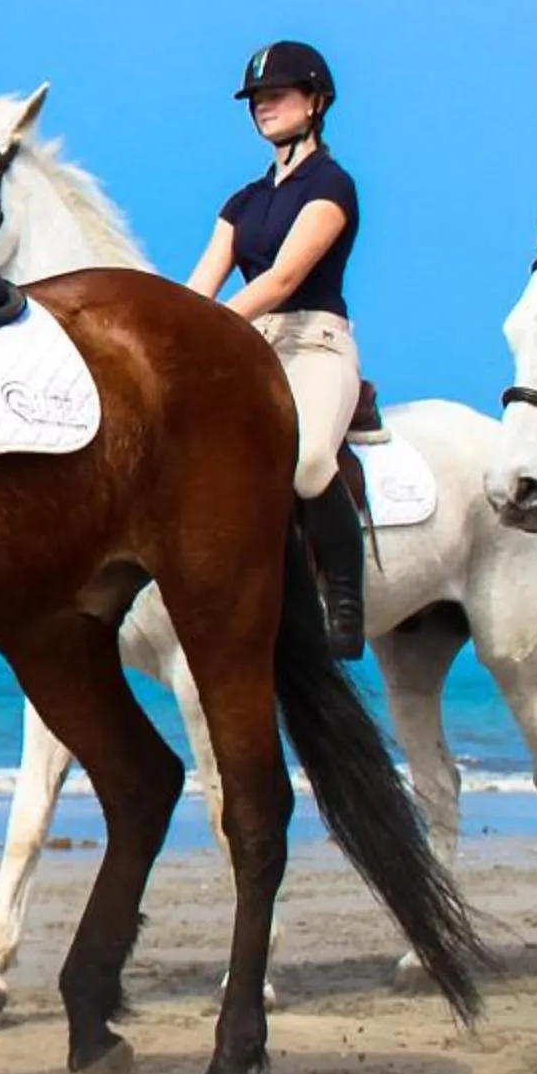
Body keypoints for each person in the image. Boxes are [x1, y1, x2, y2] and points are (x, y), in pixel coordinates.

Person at [186, 40, 367, 658]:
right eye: (257, 99)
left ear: (316, 103)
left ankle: (344, 597)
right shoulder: (242, 202)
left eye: (278, 96)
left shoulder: (332, 186)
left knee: (310, 460)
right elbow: (201, 283)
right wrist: (174, 326)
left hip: (316, 344)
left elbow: (283, 280)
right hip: (250, 346)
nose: (264, 107)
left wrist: (211, 326)